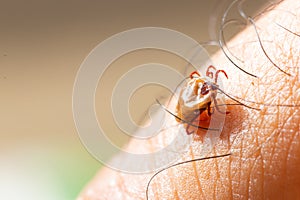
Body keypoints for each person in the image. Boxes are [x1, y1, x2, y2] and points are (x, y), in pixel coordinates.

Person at [78, 0, 300, 199]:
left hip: (189, 112)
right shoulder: (202, 94)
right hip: (190, 114)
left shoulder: (199, 86)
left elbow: (198, 89)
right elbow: (205, 106)